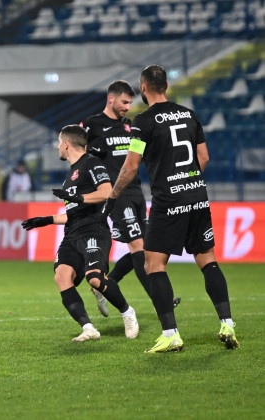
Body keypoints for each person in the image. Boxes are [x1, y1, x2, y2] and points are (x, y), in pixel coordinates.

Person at [103, 65, 239, 353]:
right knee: (208, 260)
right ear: (165, 85)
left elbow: (130, 165)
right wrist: (187, 180)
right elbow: (204, 156)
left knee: (153, 264)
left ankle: (170, 334)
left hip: (169, 200)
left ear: (143, 87)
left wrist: (113, 197)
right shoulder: (189, 114)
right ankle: (227, 323)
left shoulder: (143, 122)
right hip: (198, 196)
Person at [22, 125, 139, 342]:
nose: (58, 147)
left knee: (94, 279)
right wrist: (46, 220)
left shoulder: (92, 163)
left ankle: (127, 312)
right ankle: (88, 328)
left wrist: (79, 198)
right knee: (62, 276)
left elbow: (106, 192)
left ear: (66, 144)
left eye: (59, 142)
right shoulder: (71, 175)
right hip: (72, 234)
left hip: (94, 230)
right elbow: (73, 213)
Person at [82, 80, 180, 316]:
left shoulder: (130, 127)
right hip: (117, 196)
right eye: (124, 102)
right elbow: (79, 156)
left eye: (130, 102)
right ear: (111, 99)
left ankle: (104, 285)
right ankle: (160, 302)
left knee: (143, 249)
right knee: (138, 245)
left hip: (137, 194)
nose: (128, 107)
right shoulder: (92, 125)